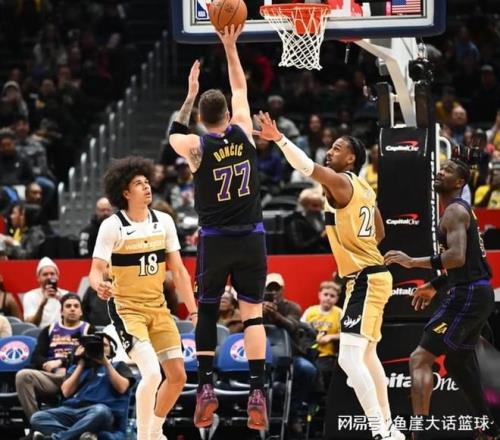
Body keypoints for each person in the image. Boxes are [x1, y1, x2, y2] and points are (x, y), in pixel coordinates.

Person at [254, 111, 403, 440]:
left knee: (350, 360)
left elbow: (306, 167)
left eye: (337, 148)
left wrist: (279, 139)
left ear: (351, 159)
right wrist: (358, 248)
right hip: (369, 276)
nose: (330, 152)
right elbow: (379, 232)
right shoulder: (363, 188)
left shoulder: (341, 181)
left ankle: (380, 431)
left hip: (366, 278)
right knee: (368, 356)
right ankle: (390, 428)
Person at [168, 25, 268, 431]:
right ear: (228, 113)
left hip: (216, 240)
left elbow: (174, 133)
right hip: (252, 236)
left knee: (207, 310)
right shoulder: (243, 129)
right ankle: (257, 391)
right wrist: (230, 46)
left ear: (201, 119)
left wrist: (190, 93)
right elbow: (239, 86)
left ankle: (206, 387)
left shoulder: (194, 146)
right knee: (253, 315)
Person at [384, 158, 499, 440]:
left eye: (447, 170)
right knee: (458, 363)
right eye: (440, 168)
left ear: (460, 182)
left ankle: (419, 433)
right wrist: (435, 284)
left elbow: (456, 258)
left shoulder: (455, 211)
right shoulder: (456, 212)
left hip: (468, 295)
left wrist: (412, 262)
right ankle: (488, 428)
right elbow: (466, 262)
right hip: (473, 292)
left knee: (419, 359)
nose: (440, 172)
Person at [89, 156, 197, 440]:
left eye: (147, 182)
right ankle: (144, 436)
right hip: (128, 311)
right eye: (139, 184)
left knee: (178, 377)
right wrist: (99, 285)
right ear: (125, 192)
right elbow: (96, 270)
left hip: (159, 309)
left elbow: (179, 271)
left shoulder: (164, 221)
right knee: (151, 374)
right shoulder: (113, 225)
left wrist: (194, 311)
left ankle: (155, 432)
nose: (147, 187)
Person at [30, 332, 135, 440]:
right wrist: (81, 364)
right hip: (73, 411)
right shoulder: (78, 368)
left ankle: (56, 438)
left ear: (112, 350)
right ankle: (79, 436)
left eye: (104, 345)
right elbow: (66, 392)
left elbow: (122, 388)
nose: (99, 348)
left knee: (101, 411)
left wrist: (106, 363)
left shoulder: (118, 366)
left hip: (100, 414)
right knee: (38, 417)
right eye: (95, 346)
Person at [16, 293, 93, 422]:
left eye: (76, 306)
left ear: (81, 311)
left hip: (77, 377)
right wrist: (49, 365)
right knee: (23, 375)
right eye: (68, 306)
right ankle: (37, 422)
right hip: (51, 377)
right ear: (61, 311)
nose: (72, 309)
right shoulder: (49, 329)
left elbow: (90, 356)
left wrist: (61, 362)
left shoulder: (88, 329)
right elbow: (36, 356)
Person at [301, 280, 342, 391]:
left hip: (327, 355)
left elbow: (345, 334)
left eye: (332, 296)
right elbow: (300, 329)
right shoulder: (310, 311)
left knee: (323, 372)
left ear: (337, 299)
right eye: (325, 294)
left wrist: (331, 337)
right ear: (319, 295)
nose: (328, 298)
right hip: (309, 352)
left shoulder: (339, 313)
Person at [23, 257, 69, 327]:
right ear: (38, 278)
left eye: (52, 274)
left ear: (57, 276)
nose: (49, 277)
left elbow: (74, 322)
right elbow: (30, 324)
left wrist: (63, 302)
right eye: (45, 274)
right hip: (38, 332)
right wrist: (42, 305)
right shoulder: (30, 296)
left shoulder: (66, 295)